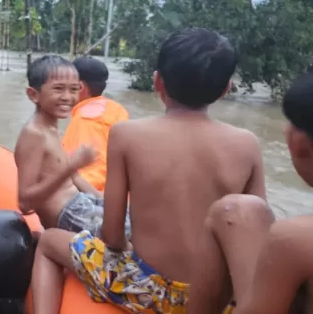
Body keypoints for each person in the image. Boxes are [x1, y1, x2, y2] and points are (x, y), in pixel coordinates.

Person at [28, 28, 266, 314]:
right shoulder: (247, 144)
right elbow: (257, 234)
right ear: (226, 89)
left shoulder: (127, 135)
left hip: (150, 290)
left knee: (50, 242)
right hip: (213, 301)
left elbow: (112, 234)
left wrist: (126, 246)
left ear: (157, 81)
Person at [187, 72, 313, 314]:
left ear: (298, 144)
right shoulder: (246, 141)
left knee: (232, 210)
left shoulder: (296, 240)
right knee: (238, 210)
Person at [15, 55, 131, 238]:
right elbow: (24, 202)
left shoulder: (51, 129)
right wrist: (73, 165)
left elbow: (74, 178)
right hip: (69, 215)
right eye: (59, 89)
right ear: (33, 94)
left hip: (82, 202)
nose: (68, 97)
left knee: (146, 216)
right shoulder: (34, 135)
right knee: (140, 233)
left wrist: (103, 199)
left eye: (74, 89)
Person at [61, 56, 129, 191]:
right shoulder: (116, 109)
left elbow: (92, 177)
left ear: (79, 87)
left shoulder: (85, 119)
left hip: (97, 200)